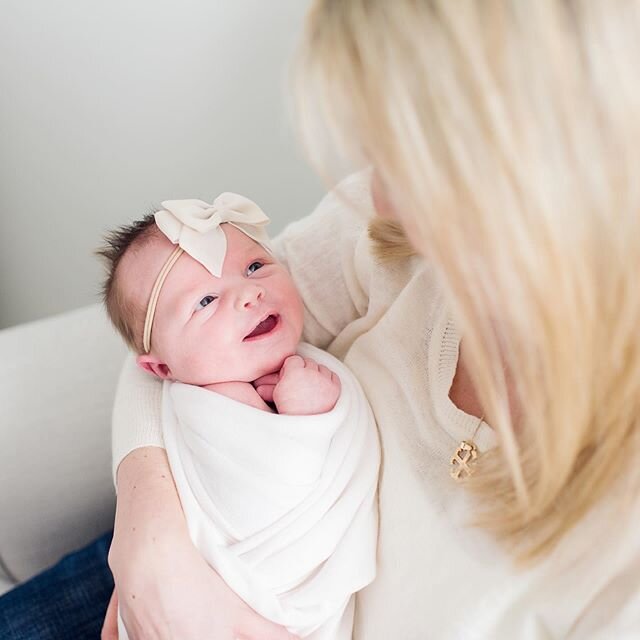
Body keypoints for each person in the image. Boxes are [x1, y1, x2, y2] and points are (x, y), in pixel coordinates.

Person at [1, 1, 638, 638]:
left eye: (414, 162)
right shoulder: (390, 236)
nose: (380, 197)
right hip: (183, 543)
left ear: (552, 170)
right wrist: (151, 547)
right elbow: (170, 343)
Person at [98, 193, 378, 640]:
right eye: (206, 300)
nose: (250, 293)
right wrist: (309, 423)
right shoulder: (201, 406)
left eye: (254, 268)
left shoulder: (231, 368)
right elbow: (260, 499)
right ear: (162, 370)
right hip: (188, 584)